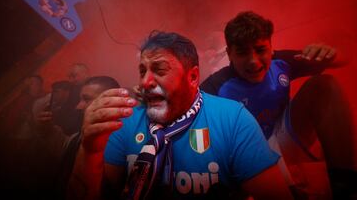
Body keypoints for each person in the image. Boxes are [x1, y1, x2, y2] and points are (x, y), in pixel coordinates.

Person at [68, 31, 293, 200]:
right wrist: (90, 151)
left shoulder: (232, 120)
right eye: (142, 71)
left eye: (159, 70)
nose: (145, 81)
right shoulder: (125, 123)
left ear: (193, 77)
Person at [200, 11, 356, 199]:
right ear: (229, 54)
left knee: (325, 86)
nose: (253, 61)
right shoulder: (214, 86)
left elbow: (345, 58)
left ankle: (346, 188)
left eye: (260, 50)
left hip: (283, 134)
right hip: (246, 151)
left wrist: (332, 54)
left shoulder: (281, 62)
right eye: (242, 52)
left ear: (271, 48)